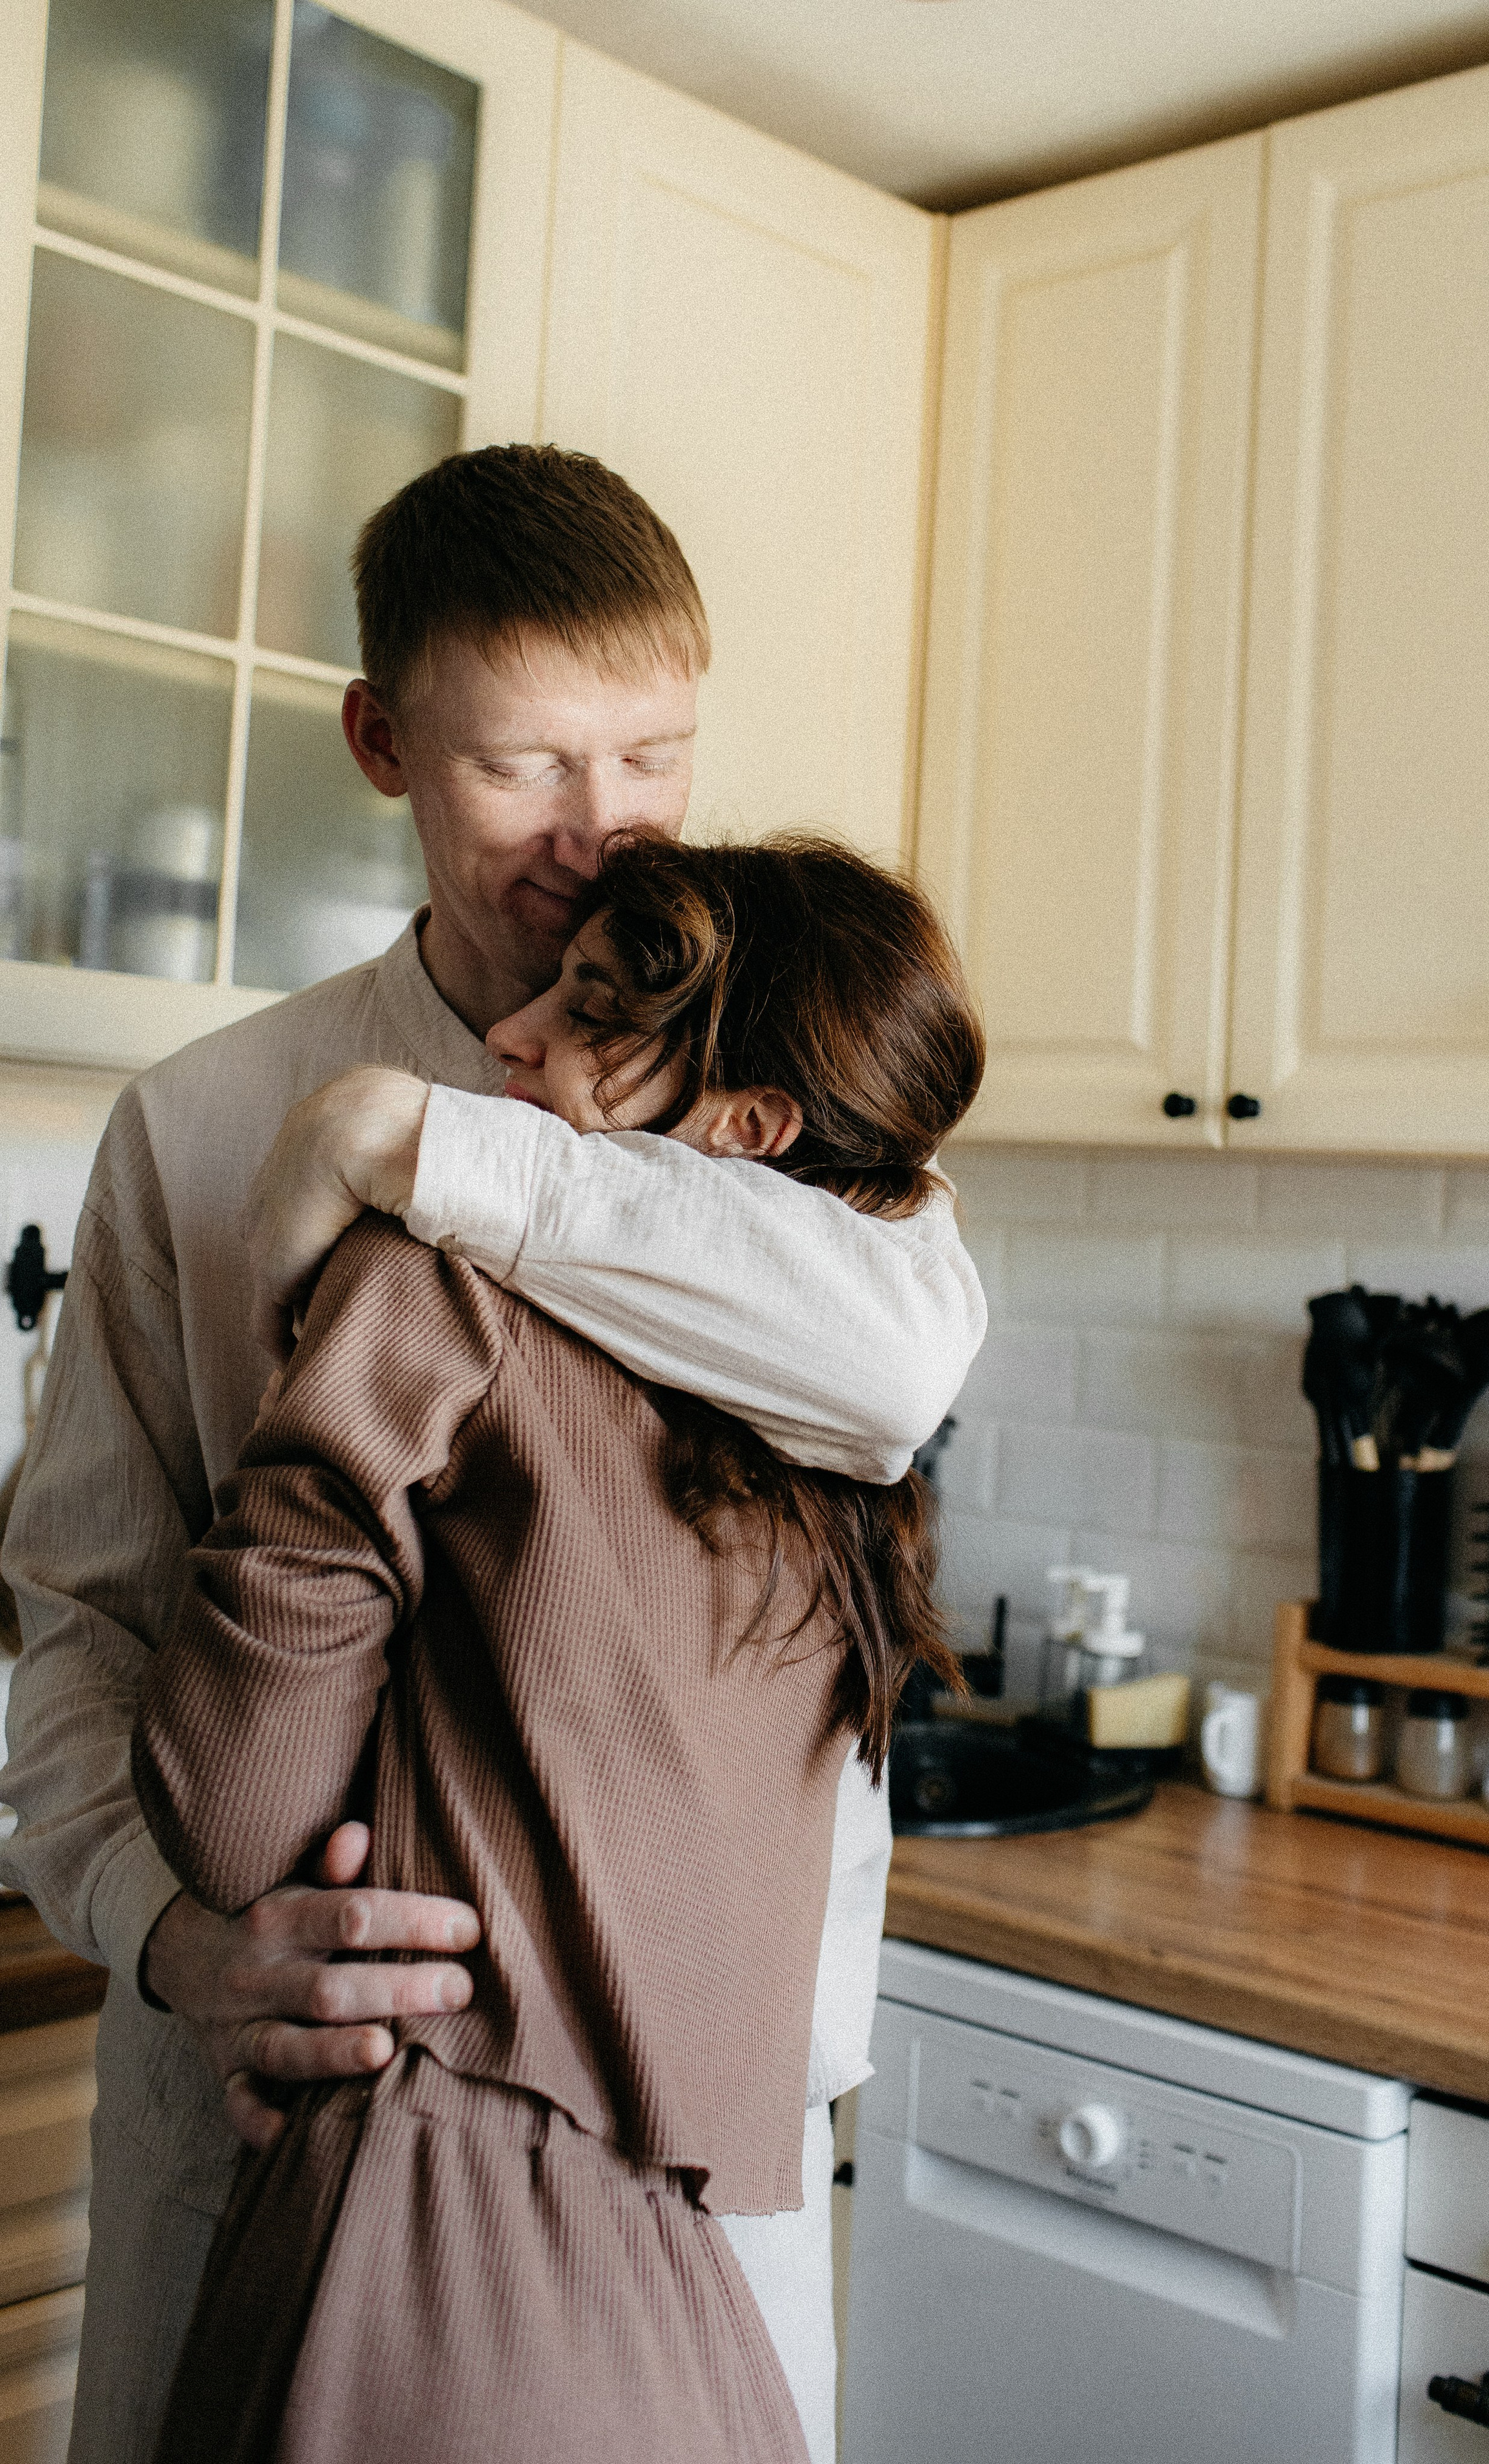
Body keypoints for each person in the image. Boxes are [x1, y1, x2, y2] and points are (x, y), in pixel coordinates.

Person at [0, 444, 986, 2464]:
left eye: (650, 758)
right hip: (261, 2100)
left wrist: (423, 1151)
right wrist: (185, 1940)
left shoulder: (791, 1094)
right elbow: (73, 1636)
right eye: (522, 766)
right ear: (382, 741)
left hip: (697, 2158)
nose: (598, 832)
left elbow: (896, 1368)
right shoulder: (194, 1131)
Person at [133, 833, 982, 2464]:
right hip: (697, 2267)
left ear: (743, 1127)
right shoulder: (837, 1424)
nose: (510, 1038)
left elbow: (230, 1818)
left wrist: (301, 1394)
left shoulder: (436, 1291)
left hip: (434, 2229)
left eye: (590, 1009)